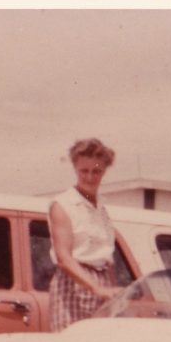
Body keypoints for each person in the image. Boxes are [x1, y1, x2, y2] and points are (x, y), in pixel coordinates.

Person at [47, 138, 119, 331]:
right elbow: (64, 258)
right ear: (75, 169)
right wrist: (96, 288)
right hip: (74, 285)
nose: (90, 177)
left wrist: (108, 289)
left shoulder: (102, 208)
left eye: (97, 171)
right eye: (84, 171)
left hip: (103, 283)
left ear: (104, 171)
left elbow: (105, 256)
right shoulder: (63, 205)